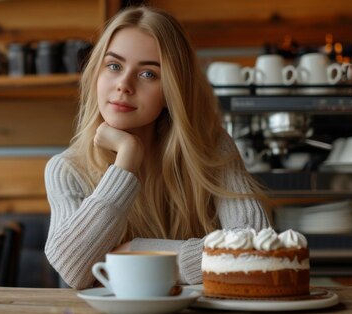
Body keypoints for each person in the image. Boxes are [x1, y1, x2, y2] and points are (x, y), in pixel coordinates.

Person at [44, 6, 271, 290]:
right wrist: (126, 160)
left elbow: (257, 246)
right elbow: (72, 268)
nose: (124, 85)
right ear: (95, 75)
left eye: (148, 74)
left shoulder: (211, 148)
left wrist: (138, 252)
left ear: (172, 90)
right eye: (113, 66)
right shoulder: (67, 169)